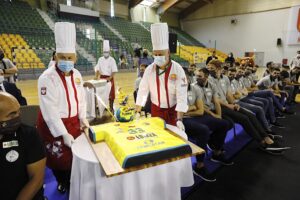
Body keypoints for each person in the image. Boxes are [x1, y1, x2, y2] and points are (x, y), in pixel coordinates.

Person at [37, 22, 89, 193]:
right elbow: (49, 110)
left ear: (75, 57)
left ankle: (75, 180)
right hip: (55, 125)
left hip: (74, 122)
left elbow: (81, 99)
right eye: (62, 57)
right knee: (59, 160)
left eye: (69, 57)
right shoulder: (47, 78)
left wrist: (83, 118)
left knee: (76, 155)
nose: (66, 61)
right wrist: (63, 133)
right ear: (56, 56)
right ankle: (63, 182)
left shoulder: (77, 75)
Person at [207, 60, 289, 154]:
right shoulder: (208, 80)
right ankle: (261, 142)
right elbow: (215, 99)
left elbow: (229, 94)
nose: (209, 70)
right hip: (217, 107)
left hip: (228, 104)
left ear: (219, 69)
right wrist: (229, 105)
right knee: (244, 118)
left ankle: (266, 136)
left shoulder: (225, 78)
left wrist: (234, 103)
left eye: (212, 68)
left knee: (251, 115)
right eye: (208, 68)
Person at [136, 23, 187, 131]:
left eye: (161, 54)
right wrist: (137, 111)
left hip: (173, 112)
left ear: (168, 52)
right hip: (156, 111)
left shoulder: (178, 70)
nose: (158, 57)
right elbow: (143, 91)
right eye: (155, 54)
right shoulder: (149, 70)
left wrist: (179, 120)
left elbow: (181, 96)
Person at [183, 68, 232, 182]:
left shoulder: (195, 89)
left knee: (223, 123)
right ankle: (199, 166)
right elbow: (178, 112)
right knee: (204, 130)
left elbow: (200, 110)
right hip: (183, 120)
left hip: (196, 116)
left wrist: (189, 109)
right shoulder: (173, 90)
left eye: (185, 77)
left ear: (188, 78)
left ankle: (217, 153)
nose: (183, 80)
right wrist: (191, 107)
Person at [0, 92, 46, 200]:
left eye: (18, 111)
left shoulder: (29, 135)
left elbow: (37, 179)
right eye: (12, 114)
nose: (18, 116)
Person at [94, 40, 118, 113]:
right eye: (104, 52)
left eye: (107, 52)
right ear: (102, 52)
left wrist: (109, 78)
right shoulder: (100, 59)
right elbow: (98, 69)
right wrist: (96, 76)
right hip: (102, 78)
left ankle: (111, 108)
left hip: (109, 78)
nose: (105, 53)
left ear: (109, 52)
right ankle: (103, 108)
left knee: (111, 95)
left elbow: (114, 71)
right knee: (102, 94)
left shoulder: (112, 60)